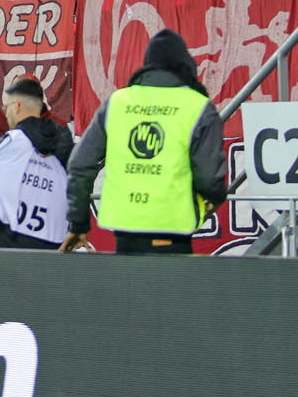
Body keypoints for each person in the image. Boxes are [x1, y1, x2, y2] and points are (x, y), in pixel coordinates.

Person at [63, 29, 227, 255]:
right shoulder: (197, 106)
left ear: (146, 66)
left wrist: (79, 224)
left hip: (124, 231)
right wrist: (213, 198)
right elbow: (210, 178)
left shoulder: (117, 103)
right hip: (174, 230)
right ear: (186, 67)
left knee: (130, 290)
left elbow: (80, 164)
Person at [0, 77, 72, 249]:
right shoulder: (62, 141)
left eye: (6, 107)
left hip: (12, 244)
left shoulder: (15, 140)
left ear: (17, 106)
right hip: (54, 243)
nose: (5, 113)